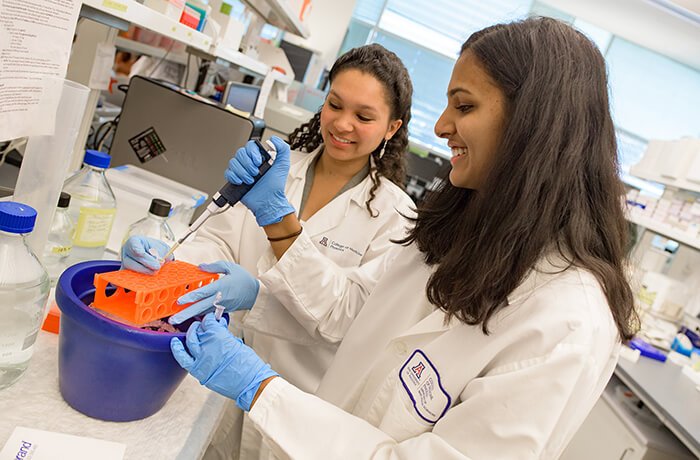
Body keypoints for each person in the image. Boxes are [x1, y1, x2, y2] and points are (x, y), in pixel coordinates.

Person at [170, 17, 639, 459]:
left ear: (534, 124)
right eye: (334, 104)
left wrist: (262, 388)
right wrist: (254, 296)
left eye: (466, 105)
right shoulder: (454, 231)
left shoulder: (566, 322)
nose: (440, 128)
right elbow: (348, 312)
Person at [122, 44, 415, 458]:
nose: (343, 124)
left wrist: (259, 295)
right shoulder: (275, 167)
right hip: (208, 371)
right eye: (335, 105)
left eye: (364, 117)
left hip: (295, 403)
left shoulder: (395, 216)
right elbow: (217, 238)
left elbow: (346, 320)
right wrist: (166, 261)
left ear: (391, 127)